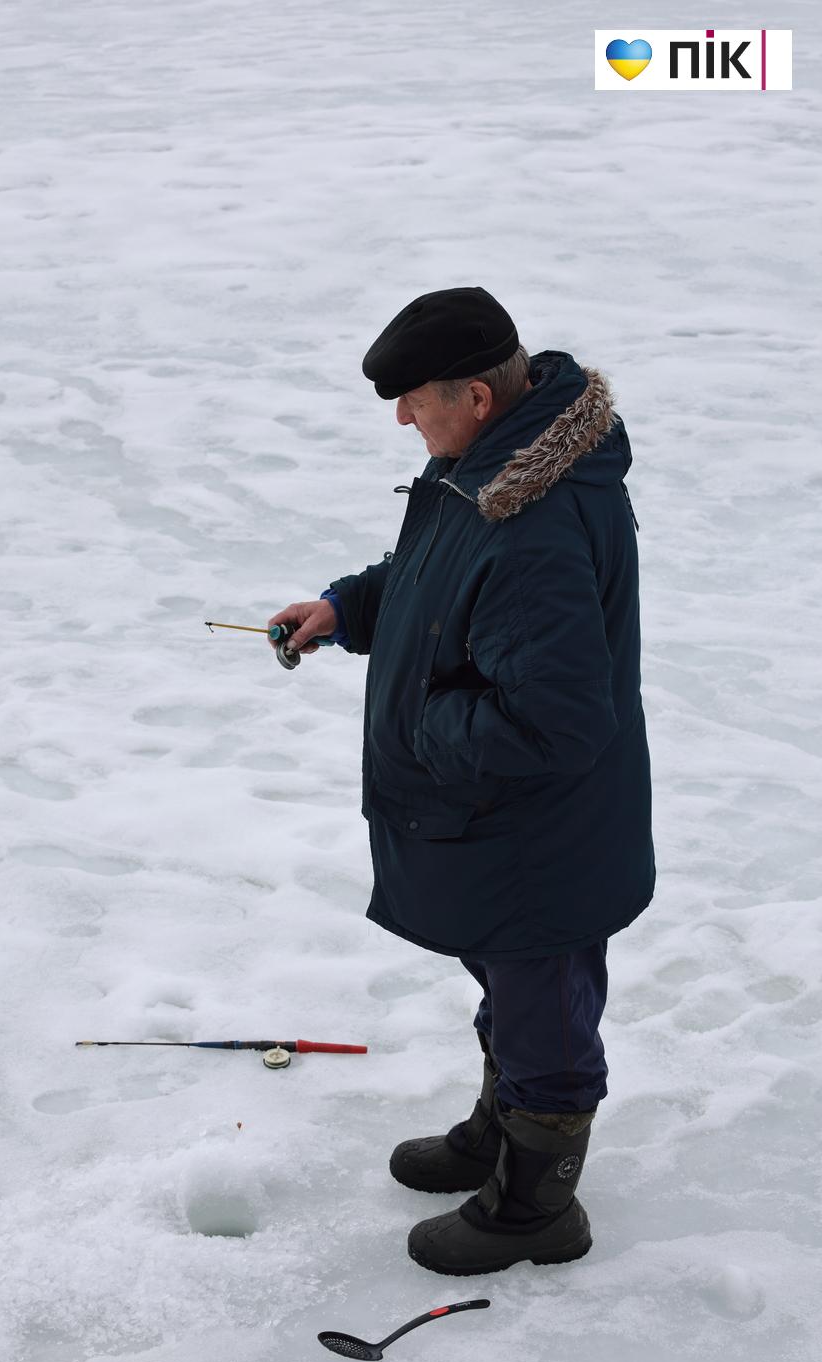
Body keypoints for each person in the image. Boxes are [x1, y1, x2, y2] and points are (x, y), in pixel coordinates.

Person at [268, 287, 655, 1276]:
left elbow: (555, 718)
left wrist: (420, 720)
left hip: (531, 829)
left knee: (542, 1002)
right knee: (509, 984)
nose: (400, 418)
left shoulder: (535, 522)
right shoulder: (483, 471)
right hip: (493, 818)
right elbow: (432, 576)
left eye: (412, 400)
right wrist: (349, 607)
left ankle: (537, 1204)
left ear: (476, 395)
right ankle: (500, 1127)